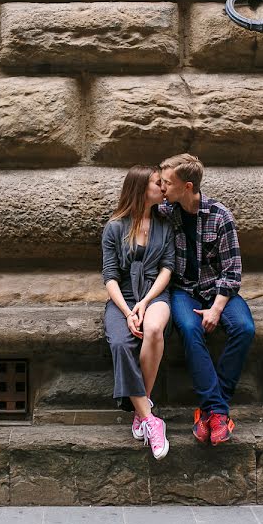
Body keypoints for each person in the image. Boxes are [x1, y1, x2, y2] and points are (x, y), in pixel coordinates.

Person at [158, 154, 255, 446]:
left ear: (187, 186)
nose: (162, 187)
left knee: (244, 328)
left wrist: (216, 308)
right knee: (189, 328)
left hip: (218, 290)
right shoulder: (165, 211)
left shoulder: (219, 215)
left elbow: (233, 271)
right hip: (183, 291)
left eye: (167, 182)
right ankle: (219, 411)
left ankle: (211, 409)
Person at [102, 165, 175, 460]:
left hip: (155, 295)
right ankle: (149, 417)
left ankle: (139, 410)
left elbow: (167, 267)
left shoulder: (165, 224)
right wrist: (128, 310)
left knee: (154, 329)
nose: (163, 188)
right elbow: (109, 277)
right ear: (142, 189)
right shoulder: (115, 227)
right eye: (158, 183)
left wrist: (144, 304)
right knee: (120, 342)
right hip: (123, 297)